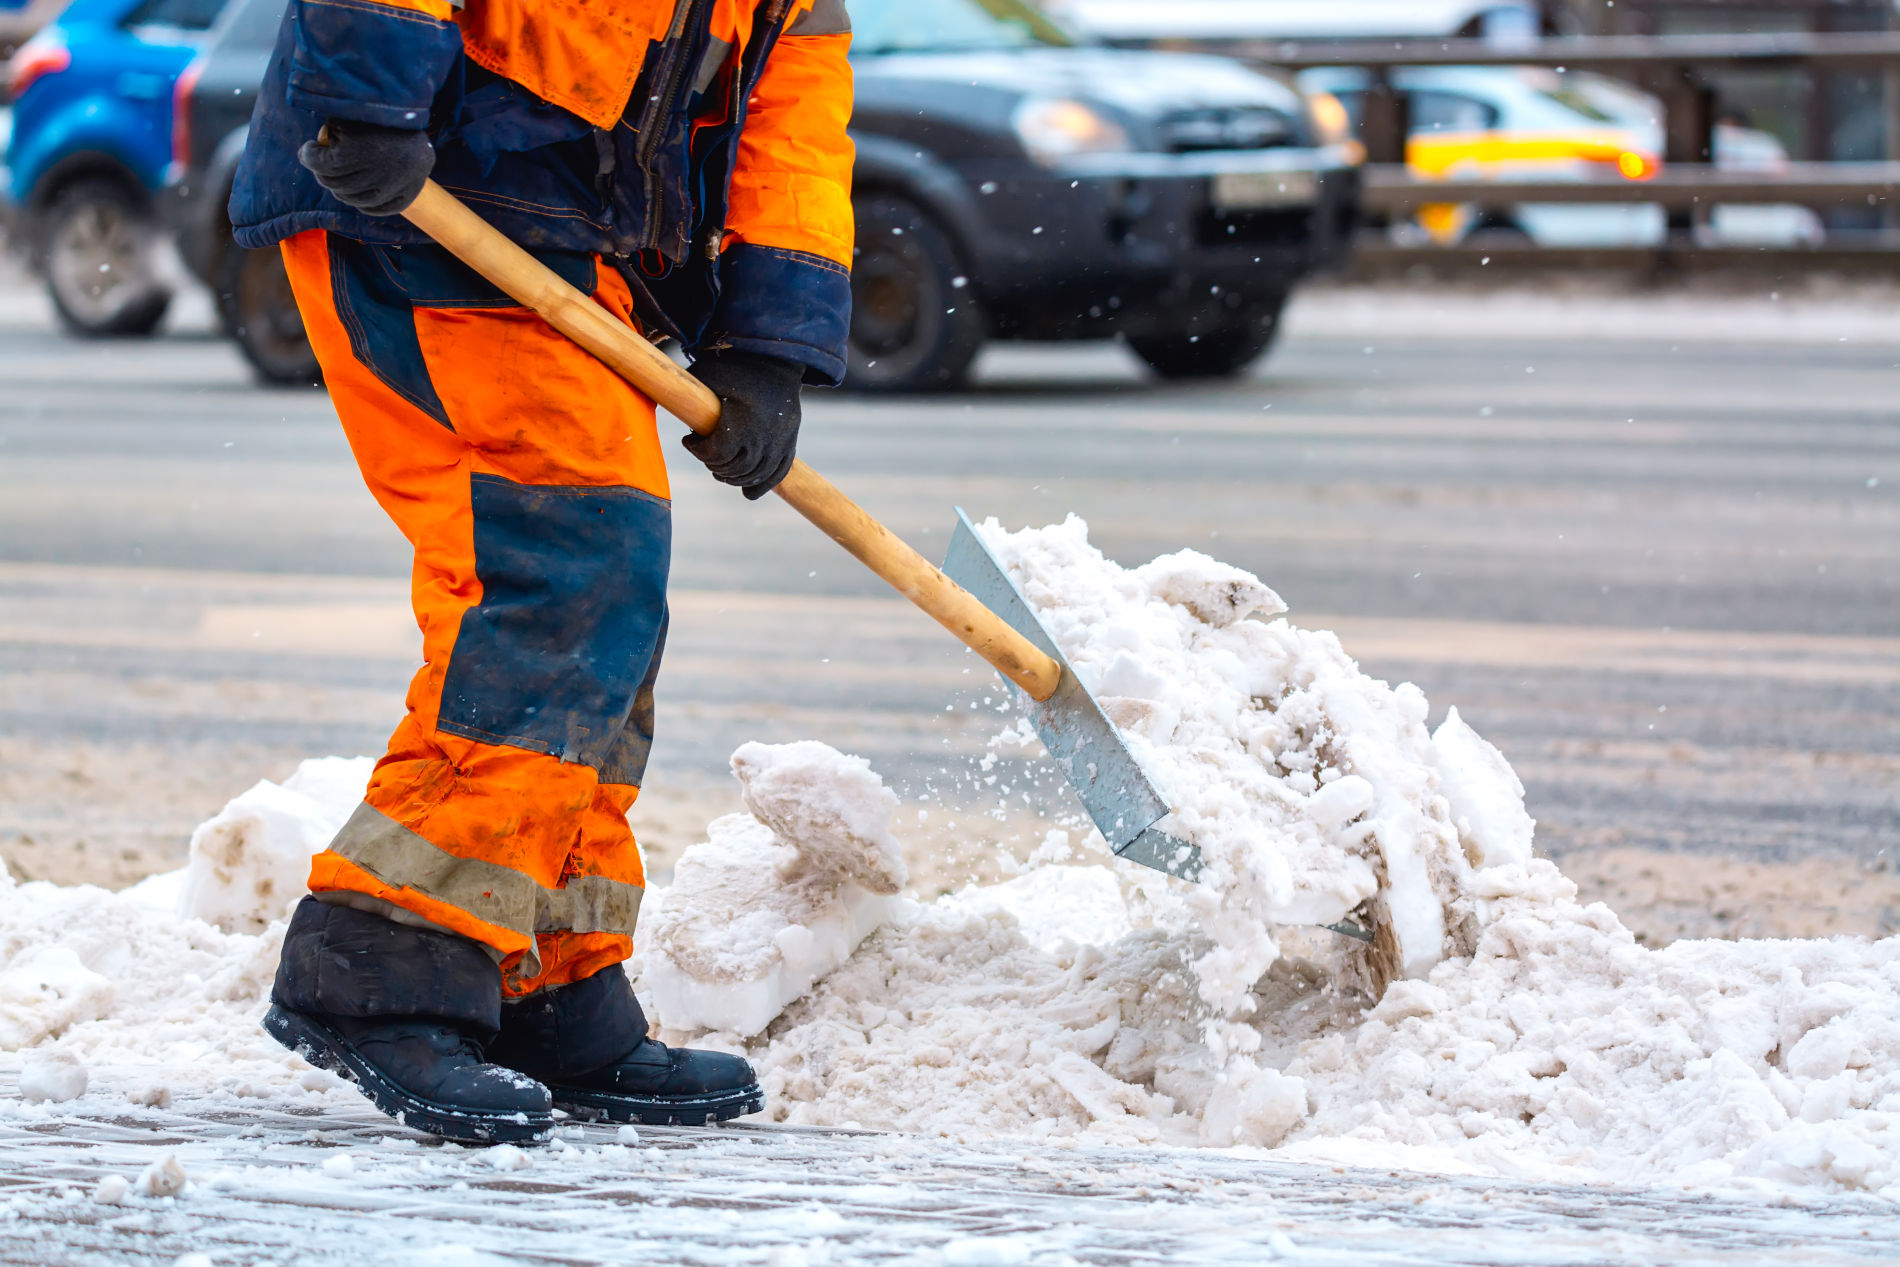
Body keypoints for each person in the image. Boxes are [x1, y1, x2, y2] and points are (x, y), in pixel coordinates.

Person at [226, 0, 854, 1144]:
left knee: (611, 597)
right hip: (428, 204)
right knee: (561, 570)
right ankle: (386, 953)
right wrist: (365, 96)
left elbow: (790, 115)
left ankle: (544, 971)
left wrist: (770, 335)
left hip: (572, 244)